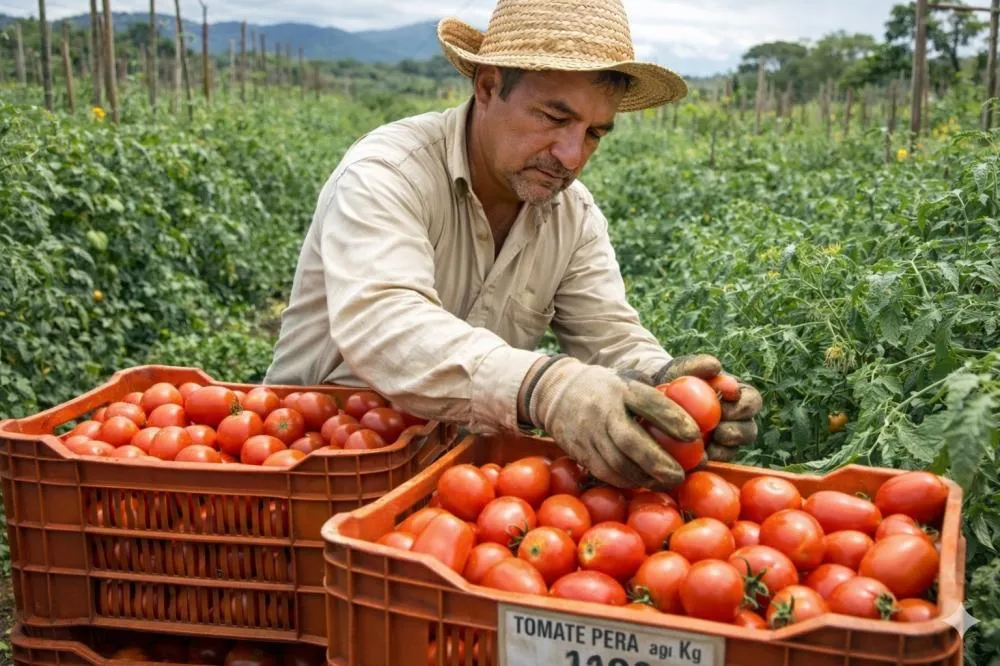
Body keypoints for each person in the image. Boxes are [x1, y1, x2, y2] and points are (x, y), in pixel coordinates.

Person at [263, 0, 762, 489]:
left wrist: (672, 387)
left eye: (593, 134)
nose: (571, 155)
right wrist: (543, 387)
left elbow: (607, 334)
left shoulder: (573, 215)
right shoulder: (388, 173)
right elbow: (385, 321)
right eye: (553, 117)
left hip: (455, 481)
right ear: (487, 86)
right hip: (320, 459)